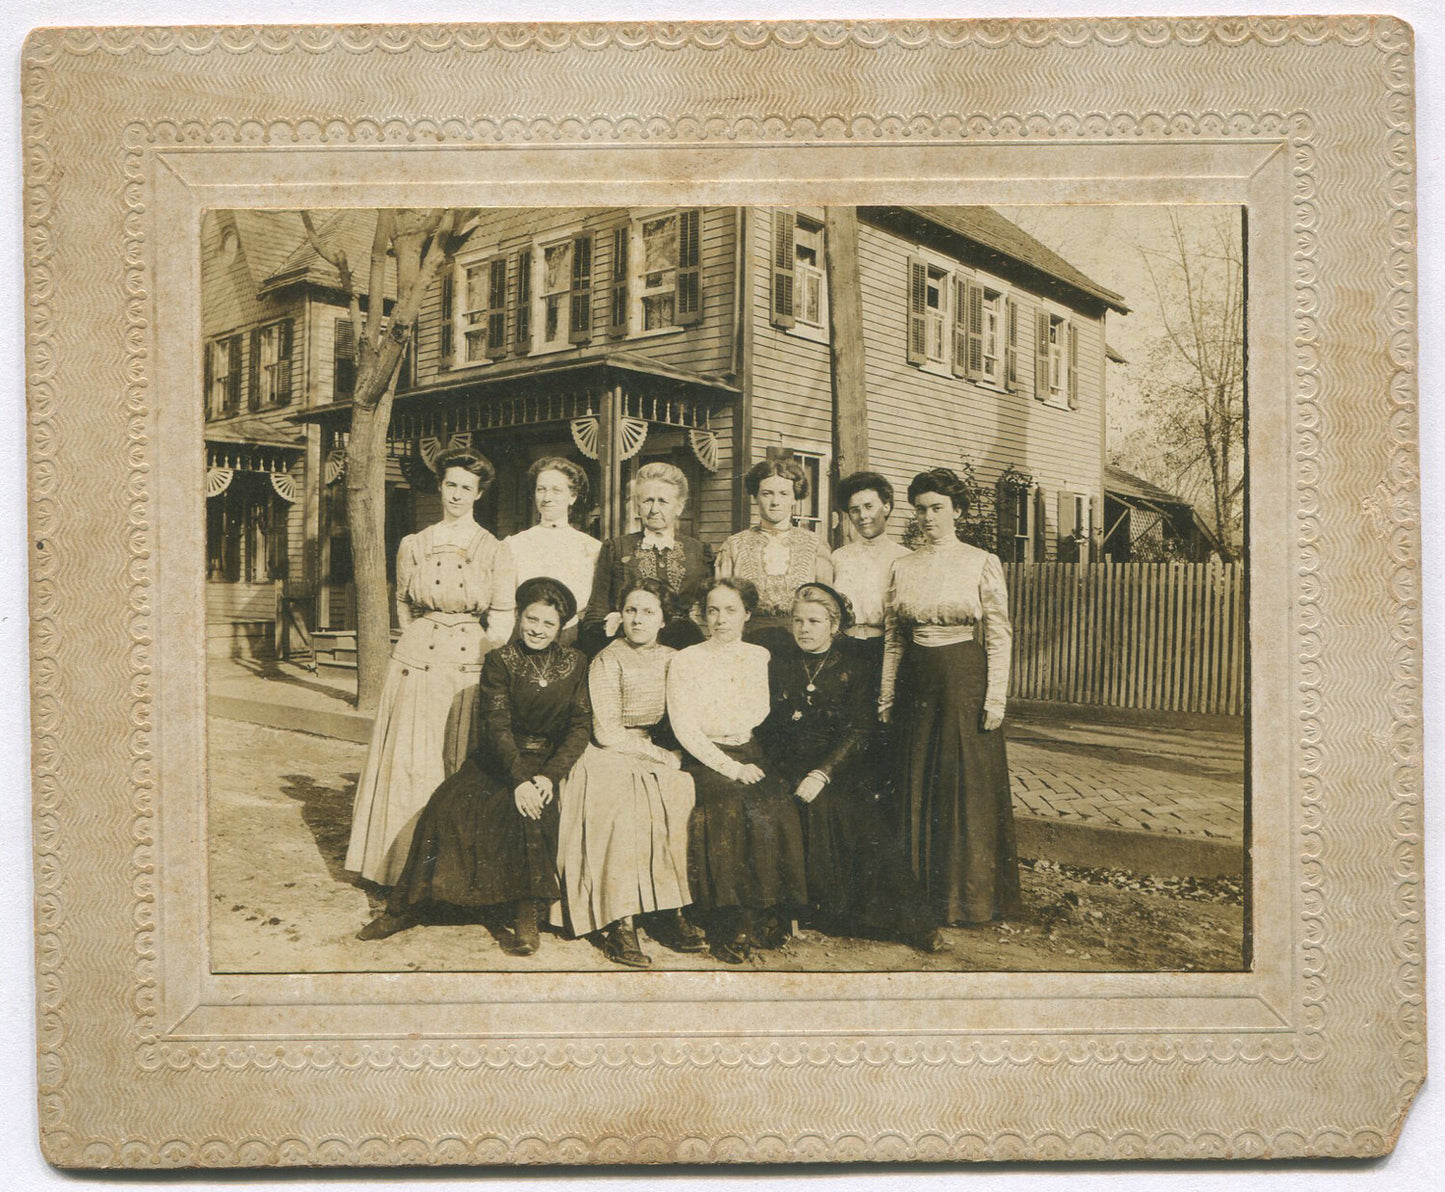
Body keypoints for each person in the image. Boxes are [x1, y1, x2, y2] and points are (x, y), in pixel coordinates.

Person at [357, 577, 592, 956]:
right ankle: (404, 908)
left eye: (548, 623)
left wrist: (548, 777)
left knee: (530, 816)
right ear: (519, 616)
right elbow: (497, 726)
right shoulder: (500, 661)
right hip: (499, 759)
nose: (537, 629)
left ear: (560, 627)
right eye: (531, 619)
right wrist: (519, 780)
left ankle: (526, 916)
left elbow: (580, 726)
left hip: (546, 763)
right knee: (445, 805)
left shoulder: (576, 664)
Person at [344, 447, 516, 887]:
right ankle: (397, 864)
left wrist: (484, 657)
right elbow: (404, 603)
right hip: (417, 661)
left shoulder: (493, 549)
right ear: (440, 487)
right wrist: (422, 640)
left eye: (466, 488)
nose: (456, 494)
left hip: (467, 664)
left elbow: (502, 614)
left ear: (478, 494)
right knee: (409, 759)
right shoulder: (414, 544)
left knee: (454, 758)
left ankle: (450, 873)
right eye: (451, 484)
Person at [759, 584, 943, 952]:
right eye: (798, 621)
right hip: (787, 763)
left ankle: (907, 922)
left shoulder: (854, 667)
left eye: (814, 621)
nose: (804, 629)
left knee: (853, 816)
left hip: (836, 767)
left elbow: (859, 730)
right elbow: (769, 726)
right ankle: (792, 911)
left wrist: (822, 773)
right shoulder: (778, 663)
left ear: (834, 625)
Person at [880, 468, 1022, 926]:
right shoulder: (903, 566)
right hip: (916, 679)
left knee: (963, 785)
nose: (928, 517)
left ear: (956, 511)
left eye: (937, 508)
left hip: (963, 677)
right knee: (915, 779)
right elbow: (893, 638)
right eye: (921, 509)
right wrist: (886, 693)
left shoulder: (980, 561)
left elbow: (998, 634)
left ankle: (966, 899)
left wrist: (995, 699)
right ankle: (916, 897)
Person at [555, 578, 705, 967]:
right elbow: (606, 732)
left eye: (648, 612)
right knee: (623, 804)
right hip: (605, 753)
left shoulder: (675, 659)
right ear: (620, 615)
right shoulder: (608, 658)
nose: (637, 619)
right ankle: (621, 923)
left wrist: (671, 754)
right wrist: (660, 755)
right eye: (631, 610)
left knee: (681, 790)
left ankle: (670, 908)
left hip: (646, 750)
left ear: (663, 620)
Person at [666, 577, 807, 963]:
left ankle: (765, 910)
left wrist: (746, 760)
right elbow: (685, 727)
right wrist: (730, 766)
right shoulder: (686, 660)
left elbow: (756, 712)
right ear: (702, 615)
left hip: (748, 749)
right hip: (705, 755)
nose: (721, 619)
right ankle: (731, 921)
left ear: (747, 614)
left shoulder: (758, 656)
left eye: (731, 610)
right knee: (730, 800)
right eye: (712, 611)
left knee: (774, 800)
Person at [579, 461, 713, 656]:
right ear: (637, 506)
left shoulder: (698, 551)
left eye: (663, 501)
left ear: (679, 507)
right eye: (648, 501)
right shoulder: (616, 548)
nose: (654, 509)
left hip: (682, 646)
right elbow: (596, 611)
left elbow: (712, 605)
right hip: (629, 645)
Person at [715, 455, 833, 653]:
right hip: (747, 644)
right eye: (767, 493)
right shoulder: (734, 545)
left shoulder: (815, 545)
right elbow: (721, 603)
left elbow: (826, 605)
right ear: (755, 497)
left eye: (784, 494)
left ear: (795, 498)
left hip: (802, 646)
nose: (775, 502)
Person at [505, 456, 601, 645]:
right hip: (523, 636)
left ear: (572, 496)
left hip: (571, 638)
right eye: (541, 489)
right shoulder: (514, 544)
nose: (547, 498)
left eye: (556, 490)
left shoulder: (591, 548)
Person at [830, 470, 911, 676]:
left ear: (886, 506)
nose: (863, 516)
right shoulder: (839, 557)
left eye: (869, 506)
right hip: (843, 648)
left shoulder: (905, 558)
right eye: (855, 510)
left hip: (887, 649)